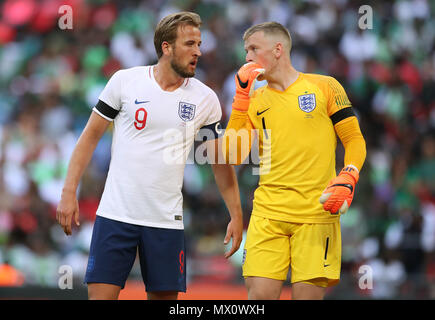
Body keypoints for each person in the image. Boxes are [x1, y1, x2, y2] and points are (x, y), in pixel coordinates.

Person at [56, 12, 243, 300]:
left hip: (165, 221)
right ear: (167, 47)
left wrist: (236, 213)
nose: (198, 51)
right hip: (115, 215)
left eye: (199, 44)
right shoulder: (125, 82)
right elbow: (88, 138)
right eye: (190, 43)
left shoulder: (205, 99)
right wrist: (69, 192)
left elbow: (218, 162)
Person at [223, 22, 366, 300]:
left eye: (253, 49)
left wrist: (349, 174)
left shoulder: (325, 86)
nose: (247, 58)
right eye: (245, 51)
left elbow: (354, 139)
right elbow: (232, 155)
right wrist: (240, 100)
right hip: (268, 214)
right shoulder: (253, 99)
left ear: (278, 50)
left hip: (316, 214)